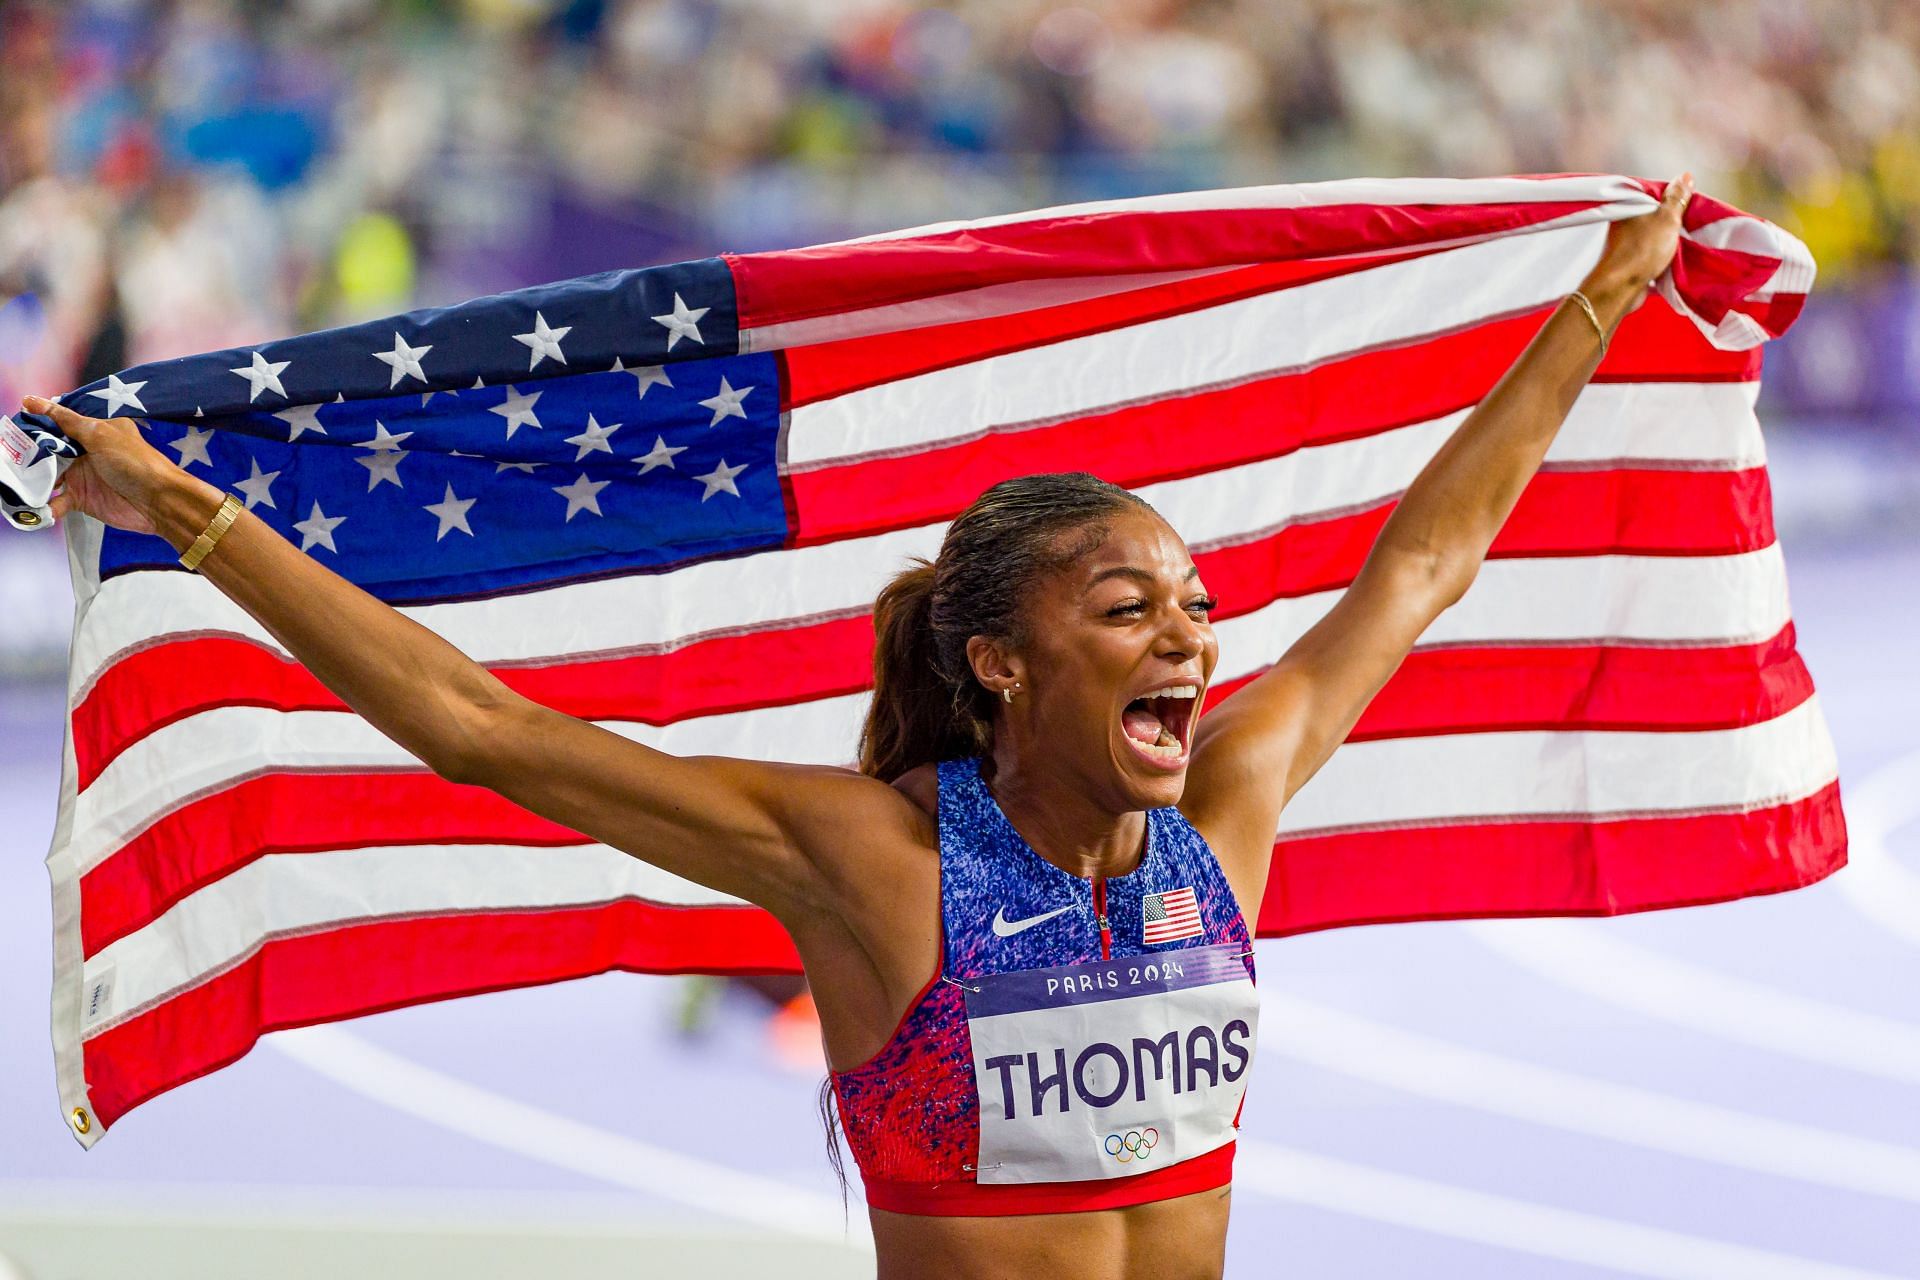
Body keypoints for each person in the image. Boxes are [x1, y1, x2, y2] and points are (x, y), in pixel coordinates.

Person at [25, 173, 1695, 1280]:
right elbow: (485, 734)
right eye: (1127, 608)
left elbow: (1420, 571)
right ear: (1000, 668)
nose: (1188, 632)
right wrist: (192, 512)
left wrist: (1603, 303)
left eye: (1190, 605)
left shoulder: (1222, 816)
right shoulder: (873, 858)